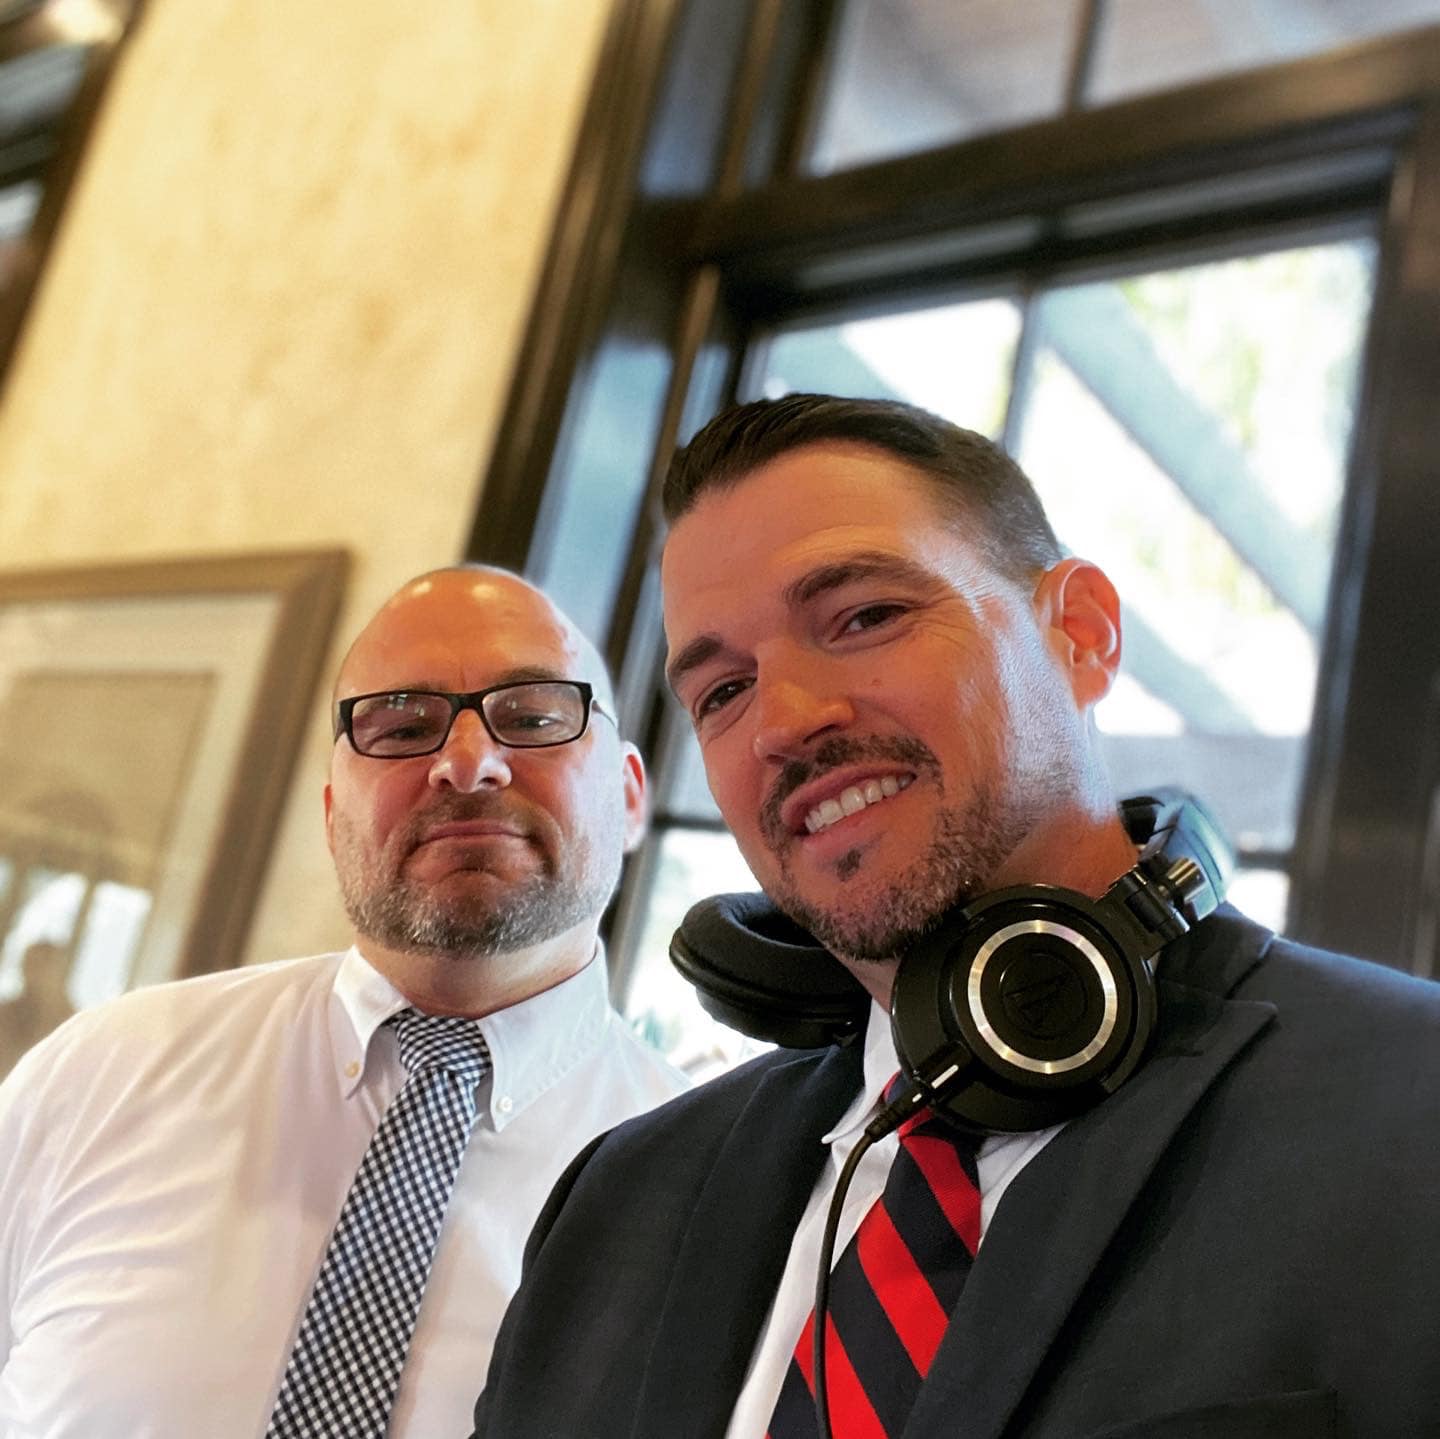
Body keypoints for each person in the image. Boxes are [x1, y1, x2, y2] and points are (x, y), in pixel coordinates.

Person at [474, 395, 1440, 1439]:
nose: (782, 723)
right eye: (722, 691)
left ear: (1081, 634)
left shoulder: (1410, 1106)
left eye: (864, 617)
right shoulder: (615, 1206)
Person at [0, 565, 687, 1438]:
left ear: (629, 795)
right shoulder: (98, 1074)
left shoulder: (714, 1193)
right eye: (402, 726)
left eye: (532, 716)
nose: (467, 762)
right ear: (332, 816)